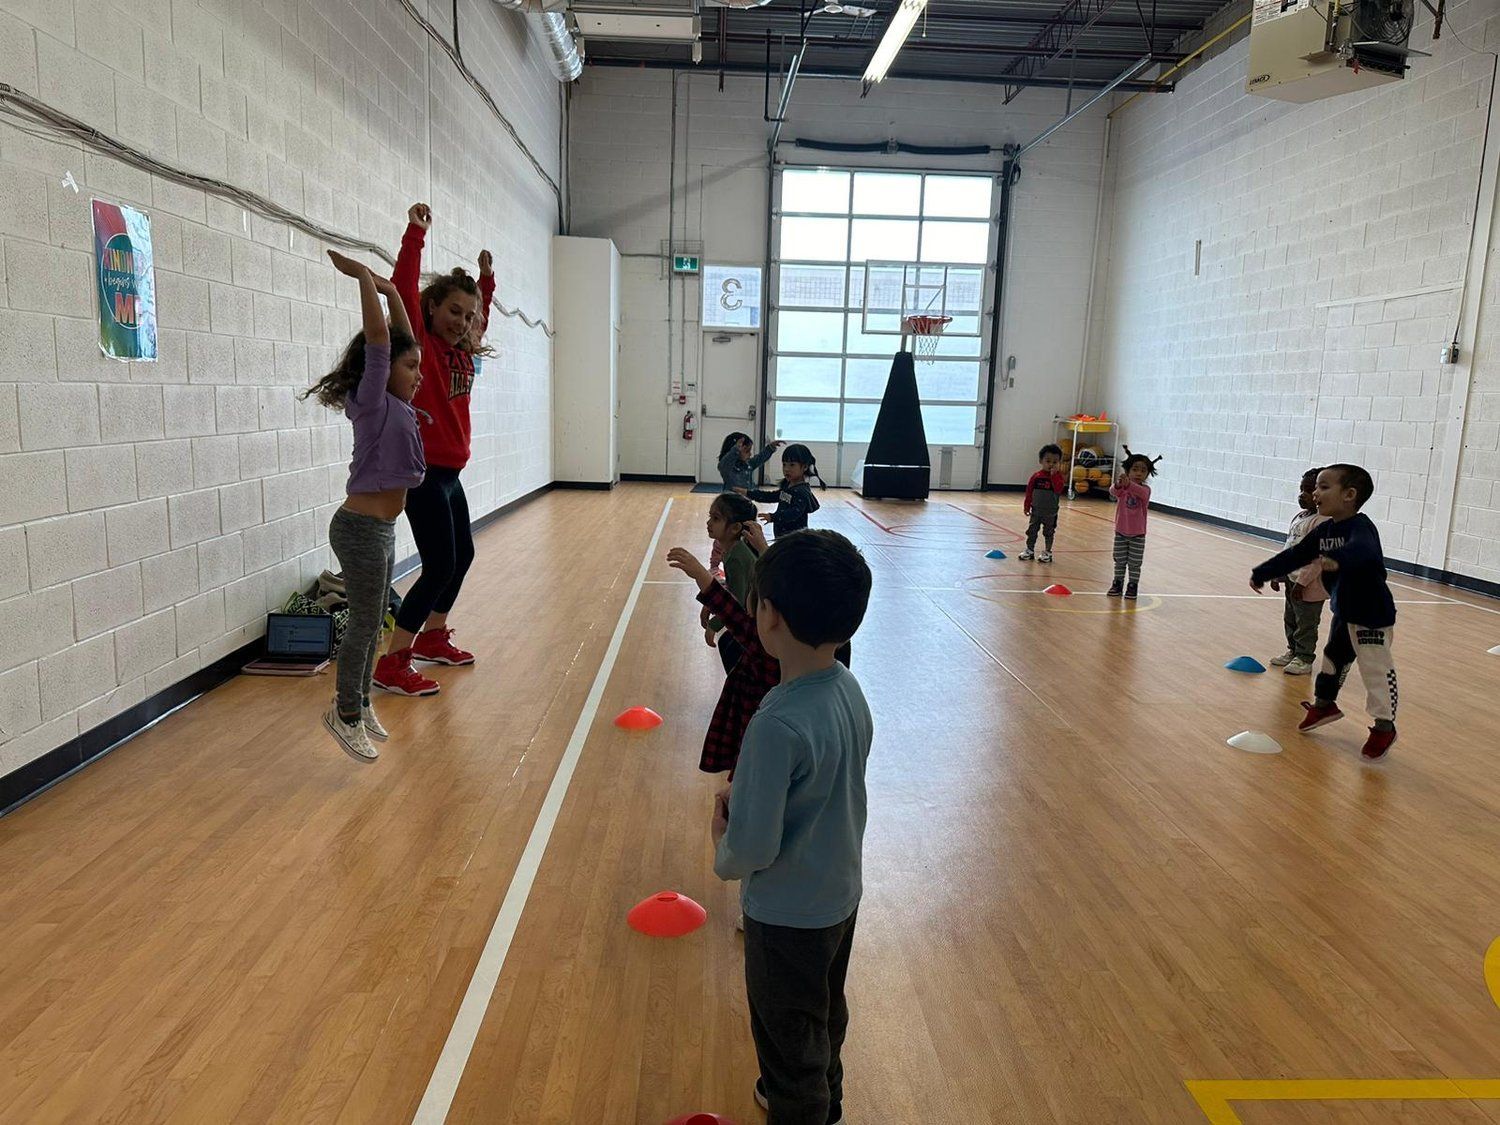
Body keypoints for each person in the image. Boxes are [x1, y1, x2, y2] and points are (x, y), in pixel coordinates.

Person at [709, 529, 873, 1125]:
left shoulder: (775, 722)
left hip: (785, 915)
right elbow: (827, 783)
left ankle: (800, 1104)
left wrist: (721, 845)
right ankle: (824, 1103)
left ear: (768, 616)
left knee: (787, 1034)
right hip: (838, 897)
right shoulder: (848, 689)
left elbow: (749, 847)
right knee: (825, 1013)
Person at [301, 251, 425, 761]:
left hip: (381, 531)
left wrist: (394, 292)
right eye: (410, 367)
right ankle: (344, 711)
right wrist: (363, 284)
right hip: (358, 529)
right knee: (366, 624)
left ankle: (358, 699)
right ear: (386, 371)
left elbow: (397, 337)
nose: (418, 375)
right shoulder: (373, 403)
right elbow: (381, 342)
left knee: (376, 622)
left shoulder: (399, 403)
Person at [373, 202, 495, 697]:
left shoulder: (463, 350)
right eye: (452, 311)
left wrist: (485, 284)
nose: (461, 322)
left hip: (451, 475)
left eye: (467, 316)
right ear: (431, 309)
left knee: (461, 555)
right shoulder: (419, 341)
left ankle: (432, 635)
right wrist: (414, 235)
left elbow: (480, 316)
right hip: (422, 472)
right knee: (440, 563)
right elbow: (402, 289)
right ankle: (393, 661)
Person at [1250, 464, 1399, 761]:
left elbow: (1364, 552)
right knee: (1332, 660)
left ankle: (1384, 727)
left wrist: (1338, 560)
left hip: (1372, 614)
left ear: (1349, 495)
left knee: (1375, 670)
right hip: (1344, 611)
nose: (1315, 493)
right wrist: (1263, 572)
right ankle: (1324, 705)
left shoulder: (1361, 527)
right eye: (1316, 487)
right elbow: (1296, 554)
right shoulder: (1325, 530)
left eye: (1323, 487)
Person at [1266, 468, 1329, 676]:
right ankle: (1293, 651)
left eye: (1309, 490)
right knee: (1290, 618)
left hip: (1310, 585)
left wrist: (1302, 582)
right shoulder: (1300, 517)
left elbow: (1317, 560)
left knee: (1306, 622)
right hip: (1292, 580)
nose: (1302, 494)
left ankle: (1304, 658)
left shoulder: (1323, 523)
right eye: (1301, 489)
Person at [700, 492, 761, 674]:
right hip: (754, 614)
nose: (709, 523)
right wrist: (711, 604)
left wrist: (715, 624)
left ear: (734, 528)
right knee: (728, 645)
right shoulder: (732, 549)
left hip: (758, 621)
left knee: (732, 650)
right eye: (710, 517)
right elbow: (733, 587)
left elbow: (739, 602)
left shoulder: (737, 556)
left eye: (716, 518)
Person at [1108, 449, 1159, 600]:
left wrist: (1128, 483)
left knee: (1135, 563)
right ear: (1128, 471)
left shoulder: (1145, 490)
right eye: (1135, 469)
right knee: (1119, 560)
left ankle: (1132, 586)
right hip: (1121, 532)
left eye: (1143, 471)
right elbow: (1113, 491)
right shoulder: (1123, 489)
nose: (1138, 473)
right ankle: (1117, 584)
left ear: (1147, 474)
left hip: (1138, 534)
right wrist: (1118, 484)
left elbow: (1139, 492)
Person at [750, 443, 824, 539]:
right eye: (784, 464)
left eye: (792, 465)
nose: (786, 469)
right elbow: (774, 496)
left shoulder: (801, 492)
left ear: (805, 467)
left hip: (795, 539)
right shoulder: (787, 485)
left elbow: (794, 513)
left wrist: (773, 517)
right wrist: (749, 493)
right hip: (782, 535)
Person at [1020, 443, 1066, 563]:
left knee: (1049, 532)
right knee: (1032, 531)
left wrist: (1054, 476)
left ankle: (1047, 552)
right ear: (1041, 461)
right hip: (1036, 510)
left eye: (1055, 462)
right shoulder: (1036, 477)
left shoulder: (1058, 477)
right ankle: (1029, 550)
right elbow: (1029, 491)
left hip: (1050, 512)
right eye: (1048, 461)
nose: (1051, 464)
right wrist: (1027, 505)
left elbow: (1058, 489)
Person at [718, 432, 785, 494]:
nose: (750, 454)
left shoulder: (748, 464)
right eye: (747, 451)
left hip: (746, 500)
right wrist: (736, 450)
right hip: (730, 502)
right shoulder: (727, 468)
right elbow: (724, 464)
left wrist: (770, 447)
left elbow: (760, 458)